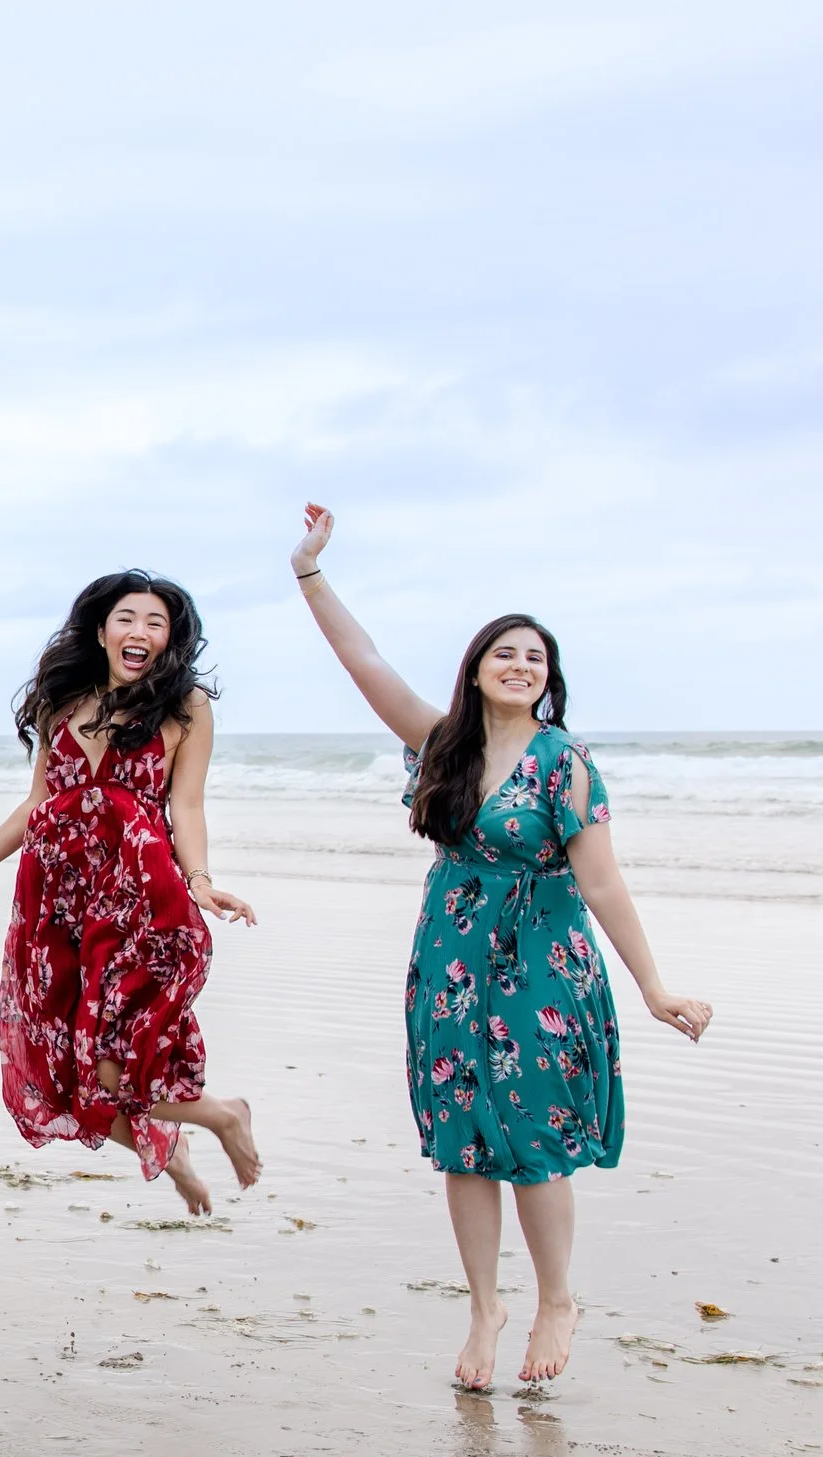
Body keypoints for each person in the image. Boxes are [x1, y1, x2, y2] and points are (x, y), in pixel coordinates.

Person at [287, 503, 712, 1391]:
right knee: (462, 1137)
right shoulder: (441, 743)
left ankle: (557, 1295)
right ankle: (485, 1304)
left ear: (548, 678)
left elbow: (602, 883)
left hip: (543, 964)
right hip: (451, 961)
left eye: (536, 656)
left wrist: (655, 986)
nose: (520, 664)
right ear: (476, 670)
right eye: (504, 652)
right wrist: (310, 571)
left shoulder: (565, 763)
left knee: (535, 1133)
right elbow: (363, 661)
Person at [0, 572, 261, 1216]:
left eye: (156, 622)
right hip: (55, 904)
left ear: (171, 638)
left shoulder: (184, 706)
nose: (140, 631)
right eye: (128, 618)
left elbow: (185, 807)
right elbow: (38, 804)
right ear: (102, 629)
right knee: (54, 1072)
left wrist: (203, 884)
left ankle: (221, 1115)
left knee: (114, 1065)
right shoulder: (63, 703)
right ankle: (172, 1153)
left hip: (139, 898)